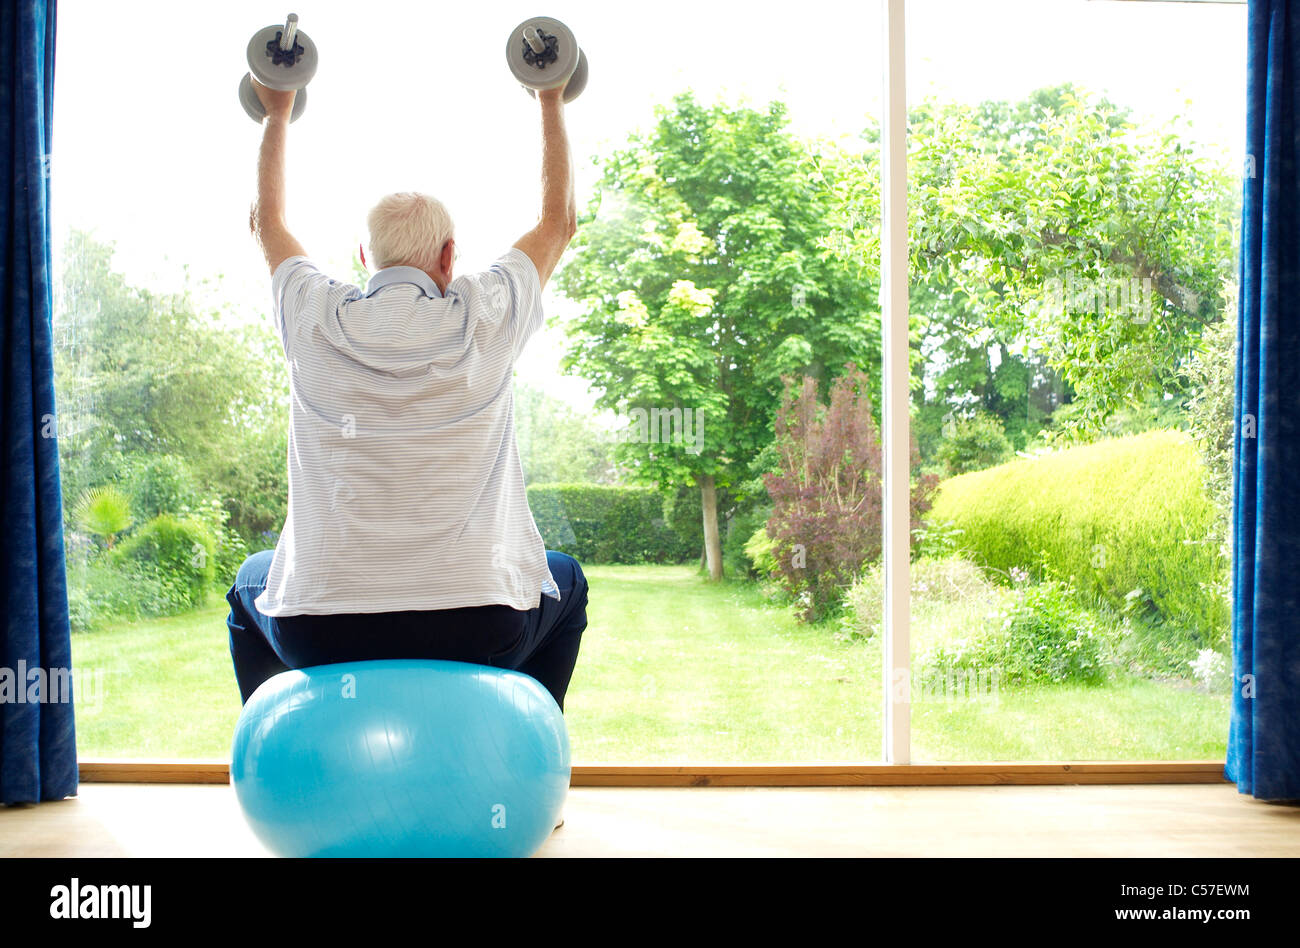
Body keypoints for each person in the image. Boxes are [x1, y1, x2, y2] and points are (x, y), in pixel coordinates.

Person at [226, 77, 587, 715]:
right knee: (567, 580)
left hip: (320, 631)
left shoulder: (313, 314)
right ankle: (523, 774)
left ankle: (284, 769)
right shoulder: (487, 313)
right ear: (450, 257)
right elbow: (560, 222)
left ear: (365, 256)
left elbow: (267, 222)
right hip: (478, 629)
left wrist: (277, 110)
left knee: (247, 584)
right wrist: (550, 97)